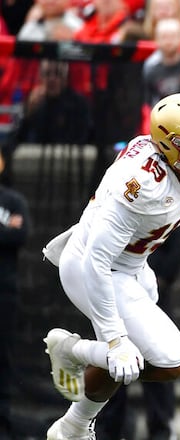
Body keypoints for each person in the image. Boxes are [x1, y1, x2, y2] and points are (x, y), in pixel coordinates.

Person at [40, 93, 180, 440]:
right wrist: (113, 340)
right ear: (171, 147)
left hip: (133, 269)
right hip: (93, 269)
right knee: (169, 360)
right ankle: (73, 350)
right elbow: (96, 262)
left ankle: (72, 427)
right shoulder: (137, 185)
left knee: (128, 363)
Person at [93, 225, 180, 440]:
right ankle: (109, 429)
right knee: (114, 362)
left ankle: (161, 429)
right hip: (115, 298)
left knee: (160, 362)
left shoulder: (165, 205)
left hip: (149, 298)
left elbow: (179, 248)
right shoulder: (117, 207)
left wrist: (158, 283)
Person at [0, 150, 31, 438]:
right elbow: (9, 234)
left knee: (4, 357)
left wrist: (9, 232)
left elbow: (21, 235)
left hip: (5, 291)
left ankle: (4, 422)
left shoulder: (13, 200)